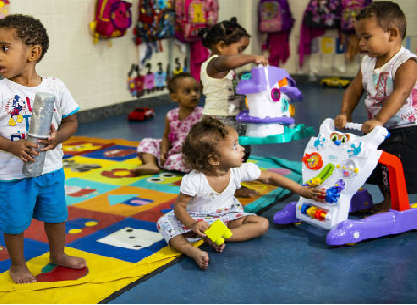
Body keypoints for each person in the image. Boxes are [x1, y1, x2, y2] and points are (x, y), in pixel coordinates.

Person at [0, 14, 86, 284]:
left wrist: (58, 138)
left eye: (4, 48)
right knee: (14, 222)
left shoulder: (55, 87)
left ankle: (57, 254)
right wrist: (11, 146)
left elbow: (71, 121)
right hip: (13, 175)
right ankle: (18, 264)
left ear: (33, 52)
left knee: (56, 216)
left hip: (51, 170)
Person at [156, 118, 322, 270]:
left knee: (262, 224)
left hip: (227, 217)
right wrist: (192, 224)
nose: (242, 149)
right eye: (235, 146)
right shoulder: (194, 180)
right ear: (214, 159)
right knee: (166, 224)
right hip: (198, 221)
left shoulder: (238, 171)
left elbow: (270, 177)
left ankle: (220, 237)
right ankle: (191, 251)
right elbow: (180, 207)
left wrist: (301, 190)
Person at [334, 1, 417, 214]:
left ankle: (393, 204)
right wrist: (345, 113)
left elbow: (401, 93)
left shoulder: (407, 62)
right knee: (379, 166)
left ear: (392, 34)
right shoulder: (368, 62)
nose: (361, 43)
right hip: (380, 128)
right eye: (359, 37)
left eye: (366, 37)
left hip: (406, 129)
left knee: (397, 169)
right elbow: (354, 90)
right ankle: (387, 201)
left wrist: (379, 120)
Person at [199, 17, 268, 197]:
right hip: (218, 119)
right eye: (240, 50)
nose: (242, 54)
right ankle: (230, 185)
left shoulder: (225, 68)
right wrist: (253, 58)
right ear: (221, 46)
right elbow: (228, 62)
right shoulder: (215, 63)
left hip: (234, 117)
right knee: (226, 154)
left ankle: (235, 178)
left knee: (242, 150)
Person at [134, 72, 203, 175]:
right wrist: (163, 152)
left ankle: (168, 163)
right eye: (187, 91)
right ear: (174, 97)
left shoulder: (202, 114)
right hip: (173, 149)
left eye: (196, 90)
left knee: (191, 160)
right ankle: (151, 164)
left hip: (190, 152)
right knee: (147, 142)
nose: (194, 94)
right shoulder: (171, 115)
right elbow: (166, 137)